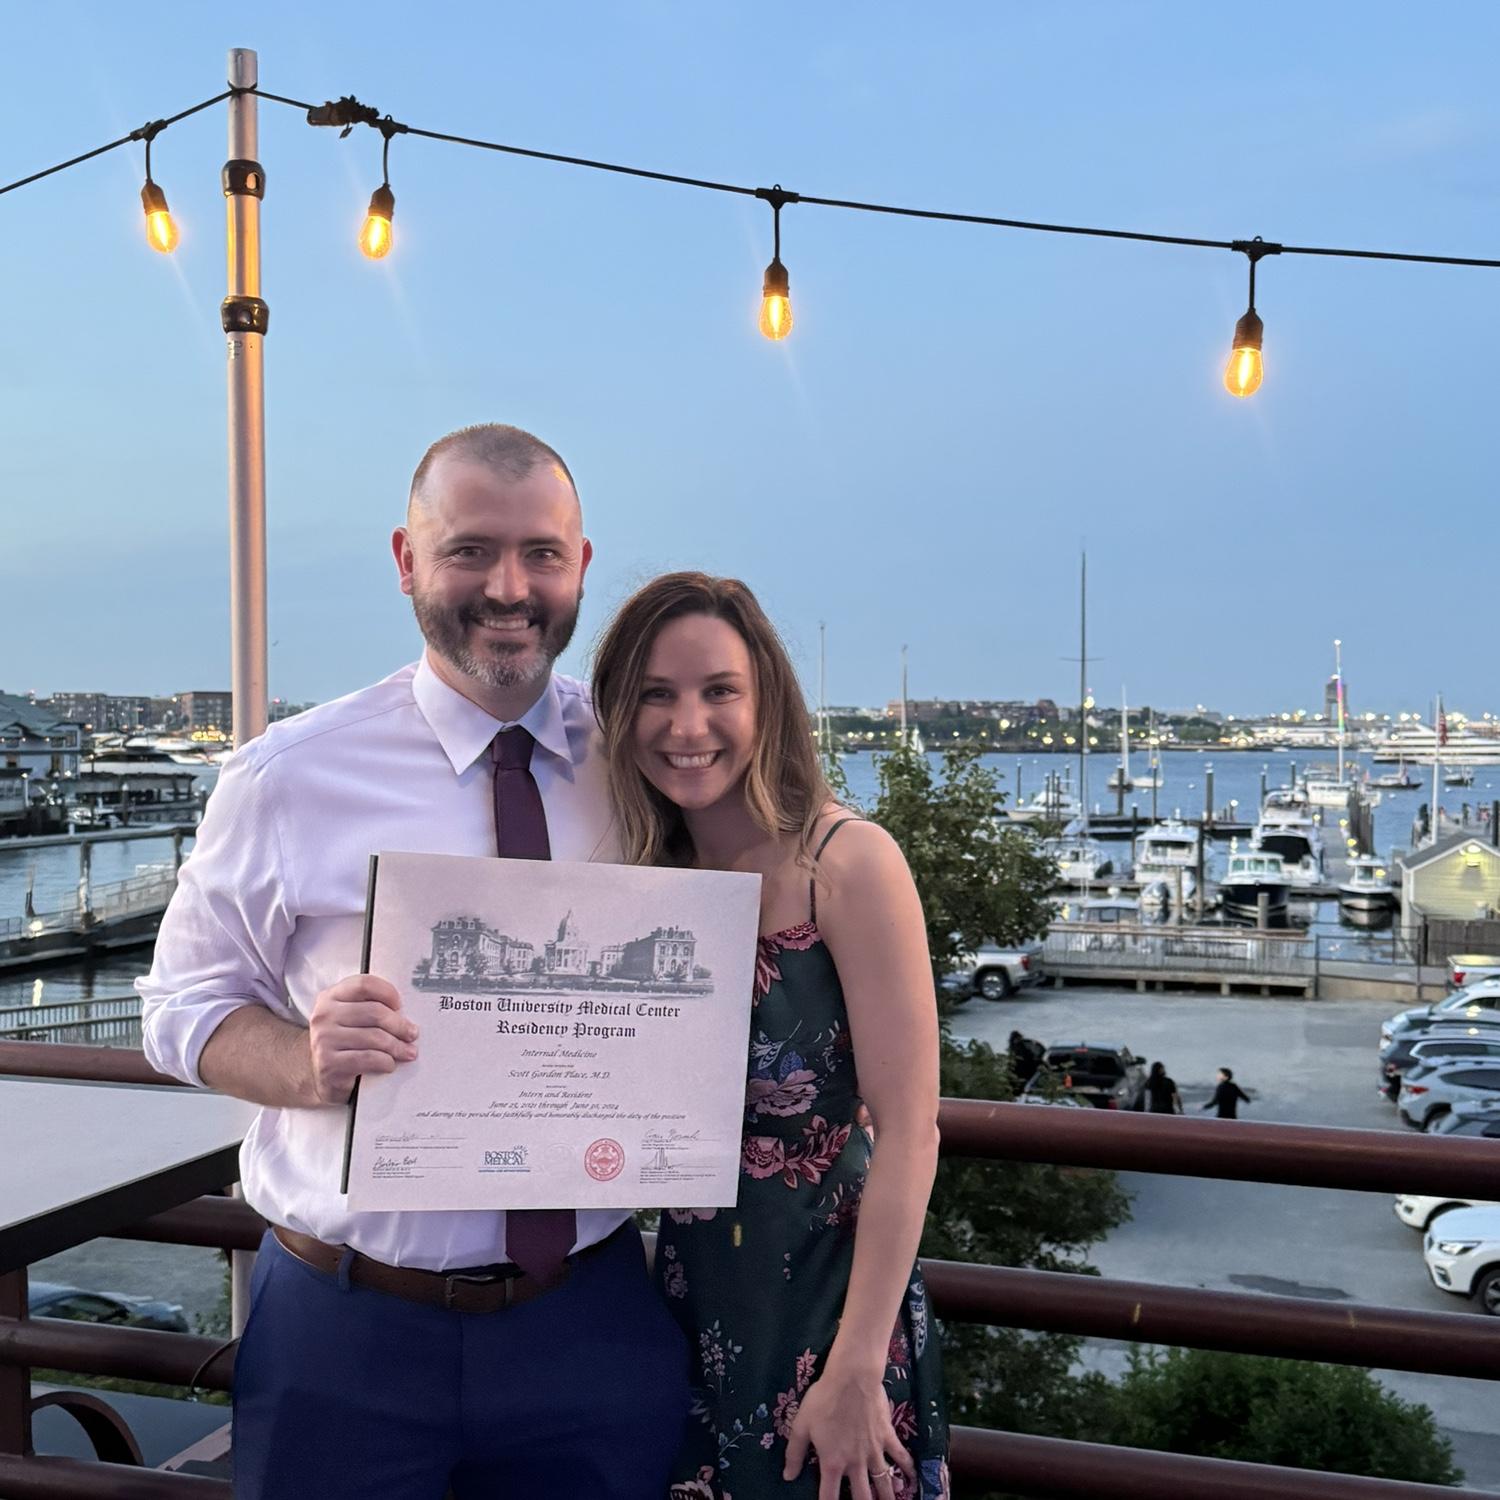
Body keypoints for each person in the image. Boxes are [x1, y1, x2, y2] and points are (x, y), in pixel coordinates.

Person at [138, 424, 690, 1500]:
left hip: (590, 1320)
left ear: (580, 565)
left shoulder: (645, 763)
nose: (508, 587)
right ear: (406, 560)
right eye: (469, 550)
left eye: (539, 553)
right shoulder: (288, 778)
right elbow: (178, 1007)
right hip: (347, 1333)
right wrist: (303, 1061)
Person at [591, 573, 951, 1500]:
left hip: (831, 1307)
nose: (688, 725)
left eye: (720, 691)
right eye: (656, 695)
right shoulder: (649, 876)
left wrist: (857, 1367)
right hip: (686, 1297)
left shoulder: (847, 862)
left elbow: (911, 1132)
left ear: (768, 703)